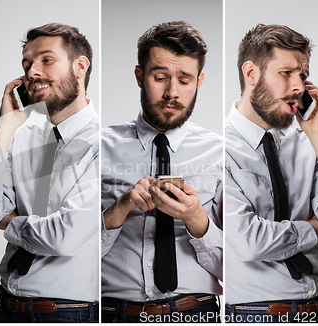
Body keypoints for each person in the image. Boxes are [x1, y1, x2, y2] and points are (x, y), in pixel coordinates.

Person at [101, 21, 223, 323]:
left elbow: (243, 268)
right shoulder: (95, 148)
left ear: (200, 81)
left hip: (196, 314)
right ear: (140, 76)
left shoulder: (222, 154)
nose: (172, 92)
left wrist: (197, 219)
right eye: (160, 77)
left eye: (185, 80)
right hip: (112, 314)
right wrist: (120, 208)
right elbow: (67, 258)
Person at [0, 23, 99, 323]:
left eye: (46, 60)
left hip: (68, 313)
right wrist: (3, 131)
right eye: (27, 64)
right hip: (6, 305)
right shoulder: (20, 135)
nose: (32, 72)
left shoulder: (103, 146)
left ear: (80, 66)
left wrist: (7, 221)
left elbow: (62, 238)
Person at [225, 24, 318, 323]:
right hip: (255, 315)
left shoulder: (307, 143)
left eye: (303, 75)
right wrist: (317, 227)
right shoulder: (217, 149)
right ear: (251, 74)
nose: (299, 87)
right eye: (287, 73)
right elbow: (251, 242)